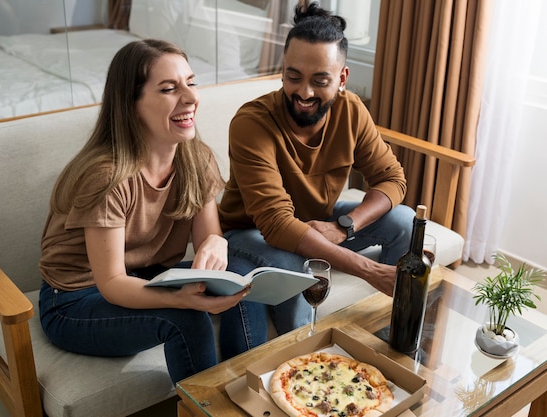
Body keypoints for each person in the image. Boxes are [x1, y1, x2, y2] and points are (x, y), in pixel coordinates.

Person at [38, 39, 248, 384]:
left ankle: (245, 386)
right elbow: (112, 284)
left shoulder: (196, 158)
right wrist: (180, 299)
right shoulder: (106, 177)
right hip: (75, 300)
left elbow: (210, 236)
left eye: (190, 83)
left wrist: (217, 244)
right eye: (169, 88)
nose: (191, 97)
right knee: (186, 318)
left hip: (146, 276)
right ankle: (208, 407)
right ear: (131, 104)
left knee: (240, 278)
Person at [217, 2, 414, 359]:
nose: (304, 93)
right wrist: (369, 269)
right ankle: (304, 363)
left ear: (341, 78)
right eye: (294, 77)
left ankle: (391, 334)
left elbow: (392, 179)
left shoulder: (351, 110)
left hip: (319, 222)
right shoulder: (252, 123)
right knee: (294, 266)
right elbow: (277, 225)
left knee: (404, 221)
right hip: (251, 233)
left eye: (319, 80)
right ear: (282, 71)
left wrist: (345, 226)